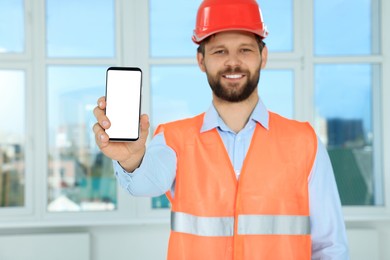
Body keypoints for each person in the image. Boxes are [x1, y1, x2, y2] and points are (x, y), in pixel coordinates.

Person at [93, 0, 350, 259]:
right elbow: (145, 184)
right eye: (219, 52)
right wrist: (131, 160)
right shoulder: (174, 139)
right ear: (201, 60)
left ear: (264, 56)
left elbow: (330, 247)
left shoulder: (304, 142)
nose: (233, 62)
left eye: (245, 50)